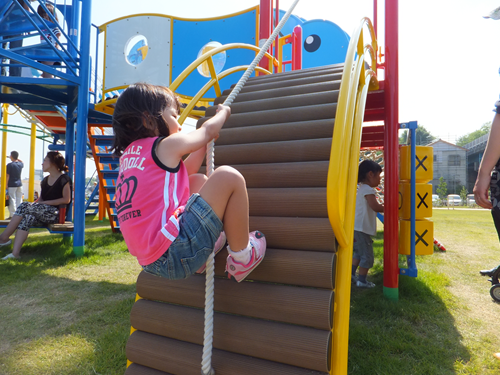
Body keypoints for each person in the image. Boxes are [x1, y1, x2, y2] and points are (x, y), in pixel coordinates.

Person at [111, 83, 266, 282]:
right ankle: (243, 258)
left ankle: (200, 260)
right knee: (229, 176)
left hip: (151, 262)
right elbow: (207, 130)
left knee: (197, 180)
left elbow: (183, 175)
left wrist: (202, 147)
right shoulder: (165, 145)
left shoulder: (130, 158)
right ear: (148, 120)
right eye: (174, 116)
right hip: (178, 250)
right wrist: (222, 114)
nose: (179, 124)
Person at [0, 152, 72, 260]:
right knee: (28, 218)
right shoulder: (45, 180)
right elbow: (41, 199)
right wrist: (36, 204)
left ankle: (3, 238)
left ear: (52, 163)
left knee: (24, 205)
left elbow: (66, 199)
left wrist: (43, 203)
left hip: (56, 215)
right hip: (43, 212)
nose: (42, 163)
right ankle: (15, 254)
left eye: (45, 160)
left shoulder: (64, 179)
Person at [351, 160, 384, 288]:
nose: (380, 181)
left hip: (357, 227)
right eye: (379, 177)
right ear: (371, 174)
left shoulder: (361, 188)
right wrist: (389, 207)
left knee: (359, 253)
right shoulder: (368, 190)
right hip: (362, 229)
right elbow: (375, 206)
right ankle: (362, 281)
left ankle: (353, 275)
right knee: (367, 256)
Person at [37, 2, 62, 78]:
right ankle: (45, 77)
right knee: (44, 68)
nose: (43, 18)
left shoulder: (52, 27)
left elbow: (58, 35)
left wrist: (57, 45)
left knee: (48, 68)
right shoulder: (43, 28)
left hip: (51, 50)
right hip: (44, 49)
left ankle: (49, 79)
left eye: (44, 15)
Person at [6, 151, 24, 219]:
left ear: (11, 156)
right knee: (19, 199)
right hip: (19, 184)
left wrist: (6, 184)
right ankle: (19, 214)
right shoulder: (20, 164)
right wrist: (16, 158)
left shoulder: (10, 165)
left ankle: (12, 215)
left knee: (12, 199)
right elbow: (22, 161)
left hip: (12, 184)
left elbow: (8, 176)